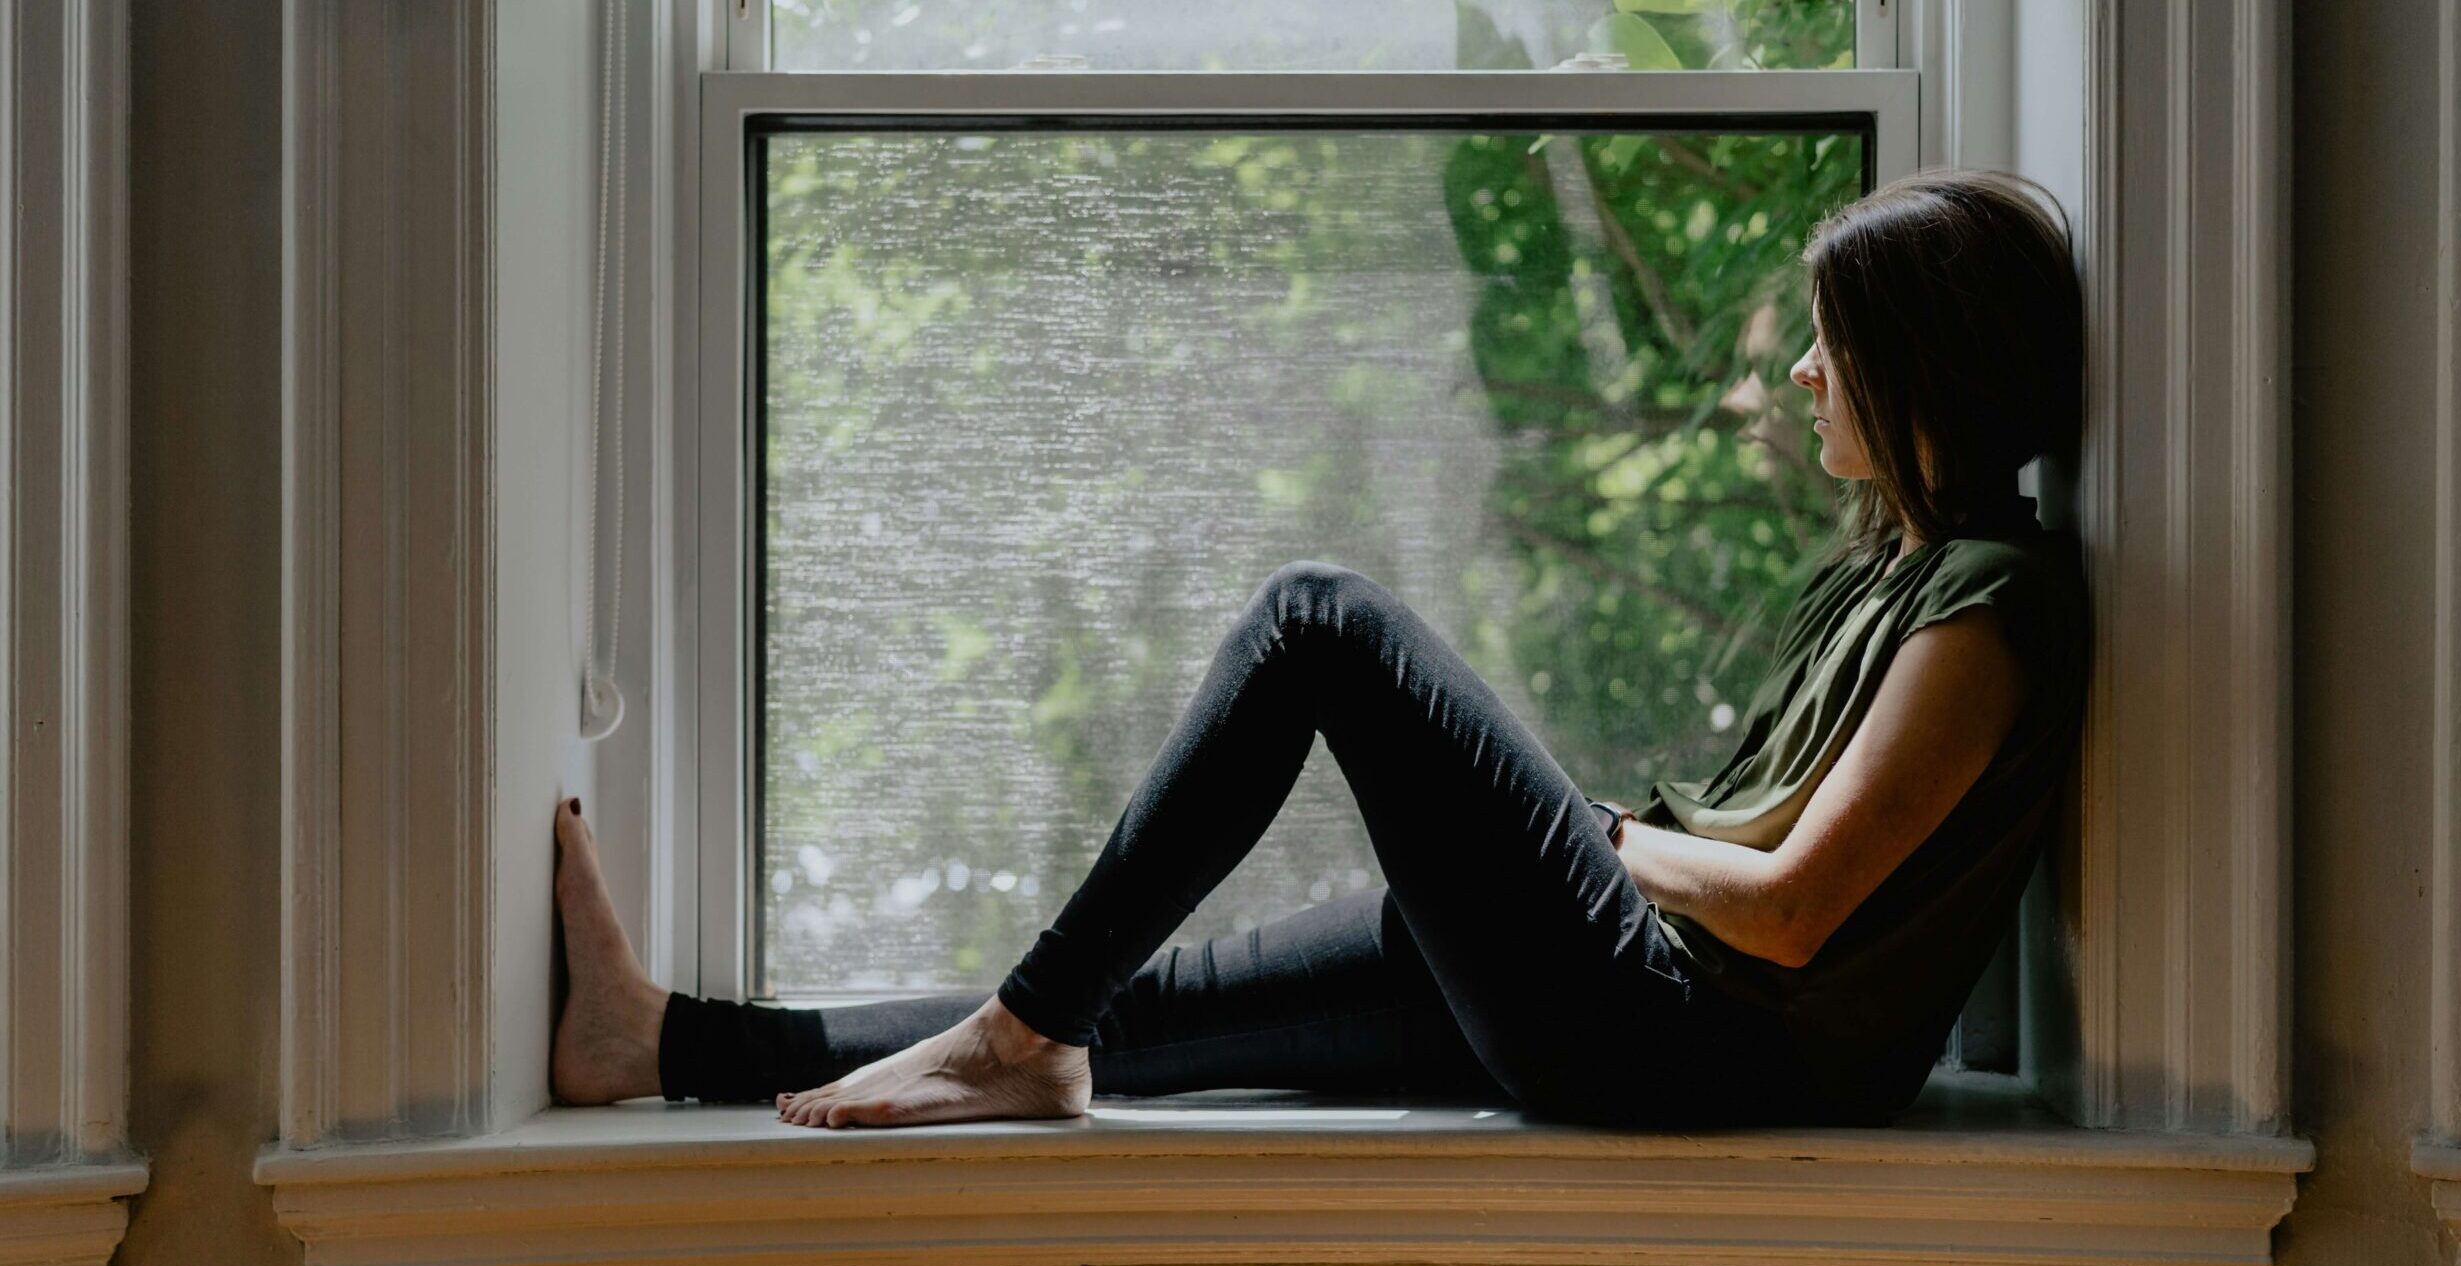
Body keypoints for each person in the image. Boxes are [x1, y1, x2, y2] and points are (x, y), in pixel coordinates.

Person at [548, 167, 2090, 1131]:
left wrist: (1591, 833)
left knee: (1321, 620)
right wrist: (1565, 846)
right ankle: (660, 1043)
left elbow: (1797, 912)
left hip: (1690, 1045)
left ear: (1922, 365)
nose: (1807, 372)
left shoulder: (1987, 610)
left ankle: (1009, 1035)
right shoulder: (1902, 569)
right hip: (1648, 1007)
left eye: (1836, 341)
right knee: (1119, 1009)